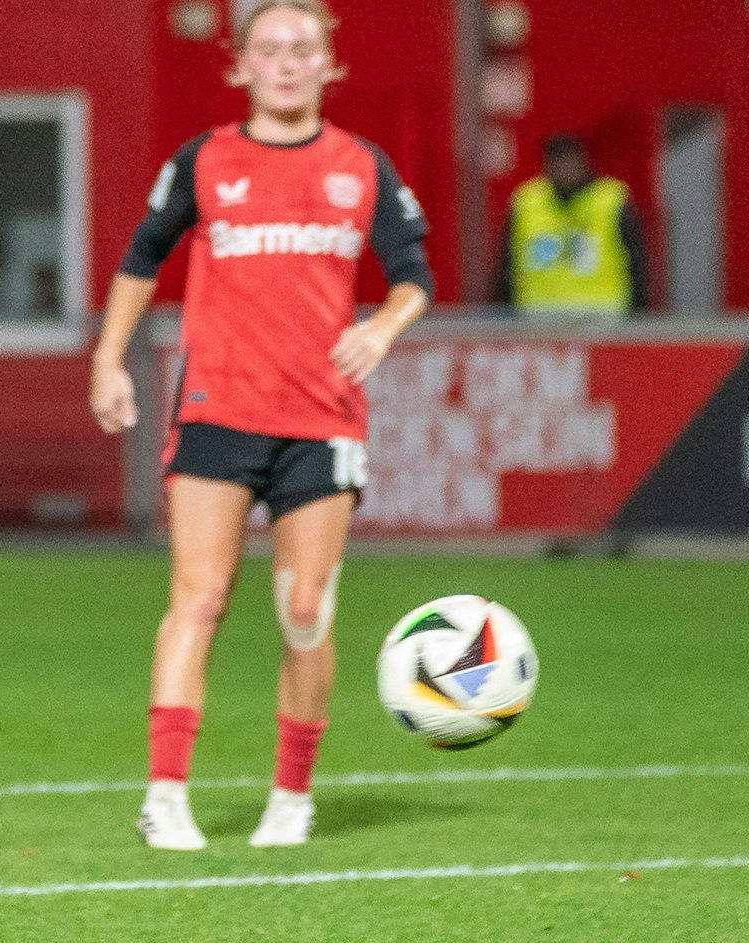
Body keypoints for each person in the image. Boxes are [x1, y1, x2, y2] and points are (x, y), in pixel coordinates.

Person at [88, 0, 433, 850]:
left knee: (306, 607)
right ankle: (166, 794)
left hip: (321, 419)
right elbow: (143, 256)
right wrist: (108, 358)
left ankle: (293, 794)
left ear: (330, 65)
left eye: (302, 49)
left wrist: (381, 327)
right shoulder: (206, 161)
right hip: (219, 411)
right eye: (269, 49)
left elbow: (413, 273)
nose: (286, 62)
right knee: (200, 596)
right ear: (239, 66)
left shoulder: (362, 167)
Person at [494, 132, 649, 317]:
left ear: (584, 162)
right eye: (557, 162)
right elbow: (506, 266)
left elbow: (637, 264)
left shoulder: (610, 200)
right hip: (539, 318)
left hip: (602, 317)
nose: (564, 169)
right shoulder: (527, 202)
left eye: (569, 161)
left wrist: (639, 315)